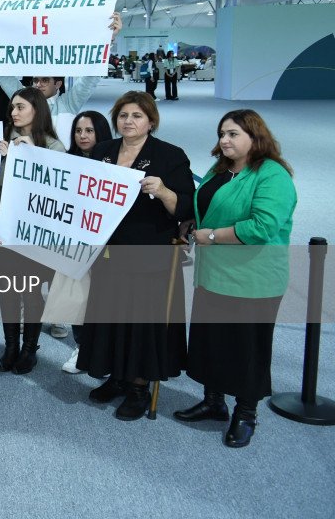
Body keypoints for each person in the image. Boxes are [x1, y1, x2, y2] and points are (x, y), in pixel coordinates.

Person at [175, 110, 296, 448]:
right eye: (222, 134)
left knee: (247, 349)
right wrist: (193, 225)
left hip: (253, 279)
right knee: (211, 341)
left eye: (232, 135)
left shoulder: (273, 176)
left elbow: (261, 227)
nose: (224, 141)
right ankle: (214, 402)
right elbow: (207, 204)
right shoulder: (221, 169)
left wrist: (210, 236)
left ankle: (246, 413)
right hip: (213, 273)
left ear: (255, 138)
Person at [77, 91, 194, 421]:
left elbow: (186, 206)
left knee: (142, 321)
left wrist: (164, 192)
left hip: (149, 254)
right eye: (123, 115)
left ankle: (139, 386)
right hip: (107, 251)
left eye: (137, 116)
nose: (129, 121)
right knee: (110, 314)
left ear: (151, 121)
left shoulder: (170, 156)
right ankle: (117, 377)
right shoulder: (102, 151)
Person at [0, 87, 65, 374]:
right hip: (4, 230)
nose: (14, 113)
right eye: (12, 108)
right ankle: (10, 346)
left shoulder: (54, 147)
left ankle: (30, 349)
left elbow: (49, 193)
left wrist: (19, 157)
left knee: (31, 292)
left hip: (36, 235)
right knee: (7, 290)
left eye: (20, 107)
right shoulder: (2, 142)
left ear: (37, 110)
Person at [0, 11, 121, 140]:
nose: (38, 84)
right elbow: (4, 76)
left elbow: (90, 77)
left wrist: (109, 39)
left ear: (58, 84)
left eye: (45, 80)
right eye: (35, 80)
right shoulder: (24, 100)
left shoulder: (69, 103)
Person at [58, 110, 114, 375]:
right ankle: (82, 347)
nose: (82, 136)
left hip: (108, 245)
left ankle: (105, 352)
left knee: (103, 298)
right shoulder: (65, 161)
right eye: (78, 131)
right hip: (74, 244)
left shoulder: (116, 163)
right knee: (77, 297)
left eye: (89, 131)